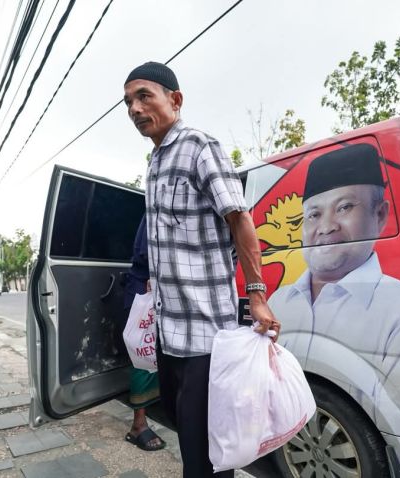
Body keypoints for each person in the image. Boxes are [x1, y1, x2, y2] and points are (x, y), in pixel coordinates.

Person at [123, 62, 279, 478]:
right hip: (169, 336)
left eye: (144, 96)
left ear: (175, 100)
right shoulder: (155, 161)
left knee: (207, 457)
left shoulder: (198, 146)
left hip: (206, 340)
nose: (135, 109)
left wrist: (257, 295)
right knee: (192, 444)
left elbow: (240, 218)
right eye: (128, 102)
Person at [268, 143, 400, 445]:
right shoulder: (279, 302)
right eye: (314, 214)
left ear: (380, 215)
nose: (326, 227)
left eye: (345, 207)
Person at [122, 218, 165, 451]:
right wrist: (156, 275)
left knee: (160, 357)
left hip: (162, 289)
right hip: (145, 290)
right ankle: (138, 425)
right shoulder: (156, 207)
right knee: (144, 358)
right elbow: (148, 254)